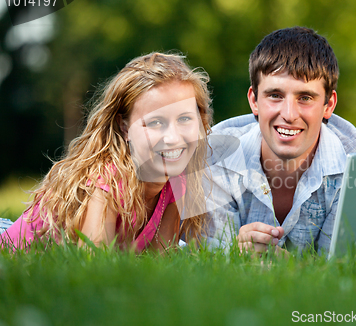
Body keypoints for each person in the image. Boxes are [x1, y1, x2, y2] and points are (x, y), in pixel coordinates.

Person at [0, 52, 212, 251]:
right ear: (125, 127)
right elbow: (93, 263)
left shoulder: (178, 180)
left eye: (184, 119)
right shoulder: (109, 179)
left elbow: (161, 262)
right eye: (156, 122)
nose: (173, 138)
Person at [207, 27, 356, 254]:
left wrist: (283, 265)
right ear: (254, 101)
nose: (289, 114)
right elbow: (210, 256)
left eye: (305, 97)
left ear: (329, 105)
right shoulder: (216, 153)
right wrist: (232, 250)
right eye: (275, 95)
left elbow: (343, 266)